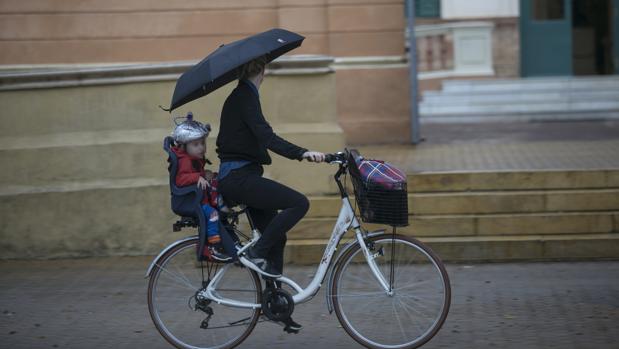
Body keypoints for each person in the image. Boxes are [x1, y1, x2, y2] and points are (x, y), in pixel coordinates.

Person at [216, 55, 325, 331]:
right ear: (263, 70)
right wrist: (302, 153)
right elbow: (267, 137)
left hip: (243, 177)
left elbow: (256, 138)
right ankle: (258, 253)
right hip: (238, 178)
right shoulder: (244, 97)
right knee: (298, 203)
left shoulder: (242, 95)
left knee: (277, 237)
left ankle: (275, 305)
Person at [171, 115, 231, 262]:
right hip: (192, 202)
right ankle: (214, 245)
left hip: (198, 198)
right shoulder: (184, 161)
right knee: (212, 215)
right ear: (184, 146)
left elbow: (195, 173)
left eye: (203, 143)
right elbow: (180, 178)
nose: (201, 147)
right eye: (196, 144)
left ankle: (220, 204)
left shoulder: (193, 159)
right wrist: (198, 177)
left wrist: (204, 174)